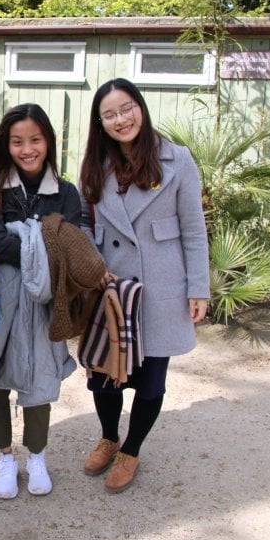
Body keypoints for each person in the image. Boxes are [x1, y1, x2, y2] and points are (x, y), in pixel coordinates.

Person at [78, 78, 209, 494]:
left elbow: (193, 229)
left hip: (161, 288)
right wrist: (91, 265)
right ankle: (109, 435)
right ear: (100, 123)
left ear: (141, 107)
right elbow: (82, 222)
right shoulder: (94, 165)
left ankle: (131, 449)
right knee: (104, 376)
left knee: (151, 381)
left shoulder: (178, 159)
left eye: (127, 108)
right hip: (111, 288)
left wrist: (199, 288)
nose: (121, 119)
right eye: (109, 114)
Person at [0, 103, 82, 499]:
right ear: (6, 145)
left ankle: (37, 455)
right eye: (17, 141)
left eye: (35, 140)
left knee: (41, 376)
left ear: (48, 142)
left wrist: (20, 238)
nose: (27, 149)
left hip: (46, 305)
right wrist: (40, 238)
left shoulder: (66, 193)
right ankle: (5, 457)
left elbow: (72, 245)